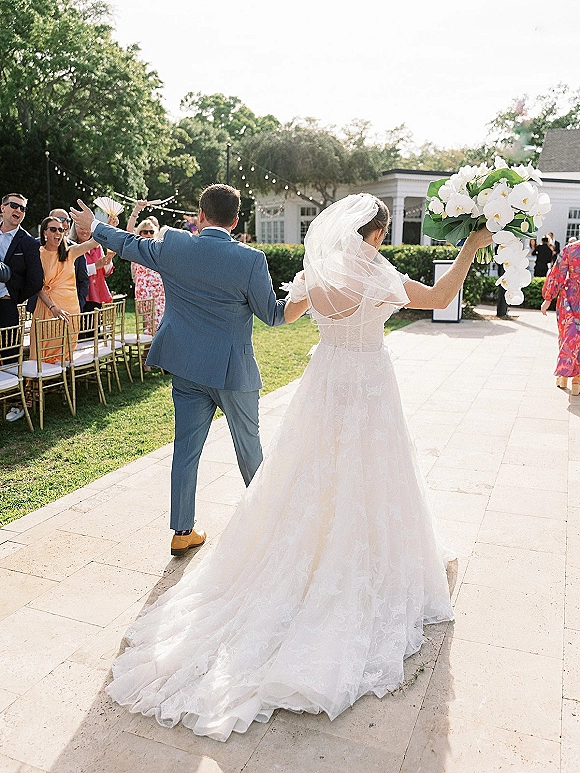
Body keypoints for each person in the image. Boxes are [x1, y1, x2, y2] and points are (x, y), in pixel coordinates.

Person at [97, 193, 493, 741]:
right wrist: (471, 247)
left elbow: (285, 313)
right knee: (372, 470)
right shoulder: (379, 275)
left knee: (310, 471)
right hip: (368, 382)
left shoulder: (314, 271)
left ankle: (244, 541)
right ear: (376, 235)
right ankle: (367, 552)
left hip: (323, 380)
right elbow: (442, 294)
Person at [70, 184, 310, 556]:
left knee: (185, 450)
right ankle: (269, 526)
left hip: (186, 368)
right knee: (249, 449)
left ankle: (182, 532)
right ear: (235, 220)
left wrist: (95, 226)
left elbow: (129, 244)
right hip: (233, 373)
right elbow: (275, 316)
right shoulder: (251, 259)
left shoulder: (176, 246)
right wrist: (305, 291)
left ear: (200, 216)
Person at [29, 217, 100, 362]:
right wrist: (52, 307)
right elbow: (37, 286)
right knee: (46, 348)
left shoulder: (70, 252)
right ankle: (42, 382)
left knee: (66, 351)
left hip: (71, 309)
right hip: (49, 309)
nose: (58, 233)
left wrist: (108, 225)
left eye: (61, 230)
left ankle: (64, 382)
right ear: (45, 232)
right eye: (53, 229)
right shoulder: (36, 254)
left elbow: (94, 242)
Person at [0, 192, 43, 422]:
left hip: (7, 306)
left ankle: (16, 403)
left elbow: (36, 280)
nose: (18, 211)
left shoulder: (28, 242)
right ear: (3, 208)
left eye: (23, 208)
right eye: (14, 206)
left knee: (10, 355)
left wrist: (13, 296)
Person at [541, 238, 580, 395]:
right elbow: (558, 273)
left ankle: (572, 376)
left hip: (571, 296)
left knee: (571, 337)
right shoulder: (570, 249)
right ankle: (569, 375)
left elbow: (557, 273)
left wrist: (548, 297)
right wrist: (548, 298)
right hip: (570, 298)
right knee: (570, 336)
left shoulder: (569, 249)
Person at [69, 221, 115, 313]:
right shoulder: (71, 247)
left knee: (96, 325)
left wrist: (108, 260)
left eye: (87, 229)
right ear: (74, 229)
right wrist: (96, 266)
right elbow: (73, 271)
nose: (85, 231)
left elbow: (106, 272)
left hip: (97, 294)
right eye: (81, 228)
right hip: (80, 294)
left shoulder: (97, 247)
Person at [133, 219, 165, 333]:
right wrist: (135, 211)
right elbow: (128, 231)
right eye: (145, 232)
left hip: (159, 291)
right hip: (144, 291)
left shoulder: (158, 247)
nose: (148, 234)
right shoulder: (136, 248)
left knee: (160, 321)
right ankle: (149, 349)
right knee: (148, 323)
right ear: (140, 233)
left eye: (151, 232)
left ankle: (157, 348)